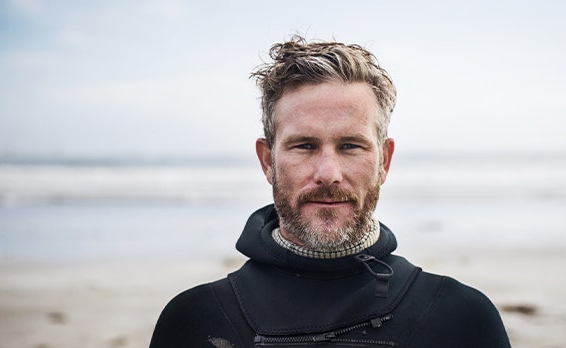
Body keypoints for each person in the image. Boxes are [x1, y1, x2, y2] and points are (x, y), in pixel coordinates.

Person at [150, 36, 510, 348]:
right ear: (267, 162)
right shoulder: (194, 320)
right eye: (304, 145)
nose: (328, 174)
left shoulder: (461, 319)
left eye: (350, 146)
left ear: (384, 161)